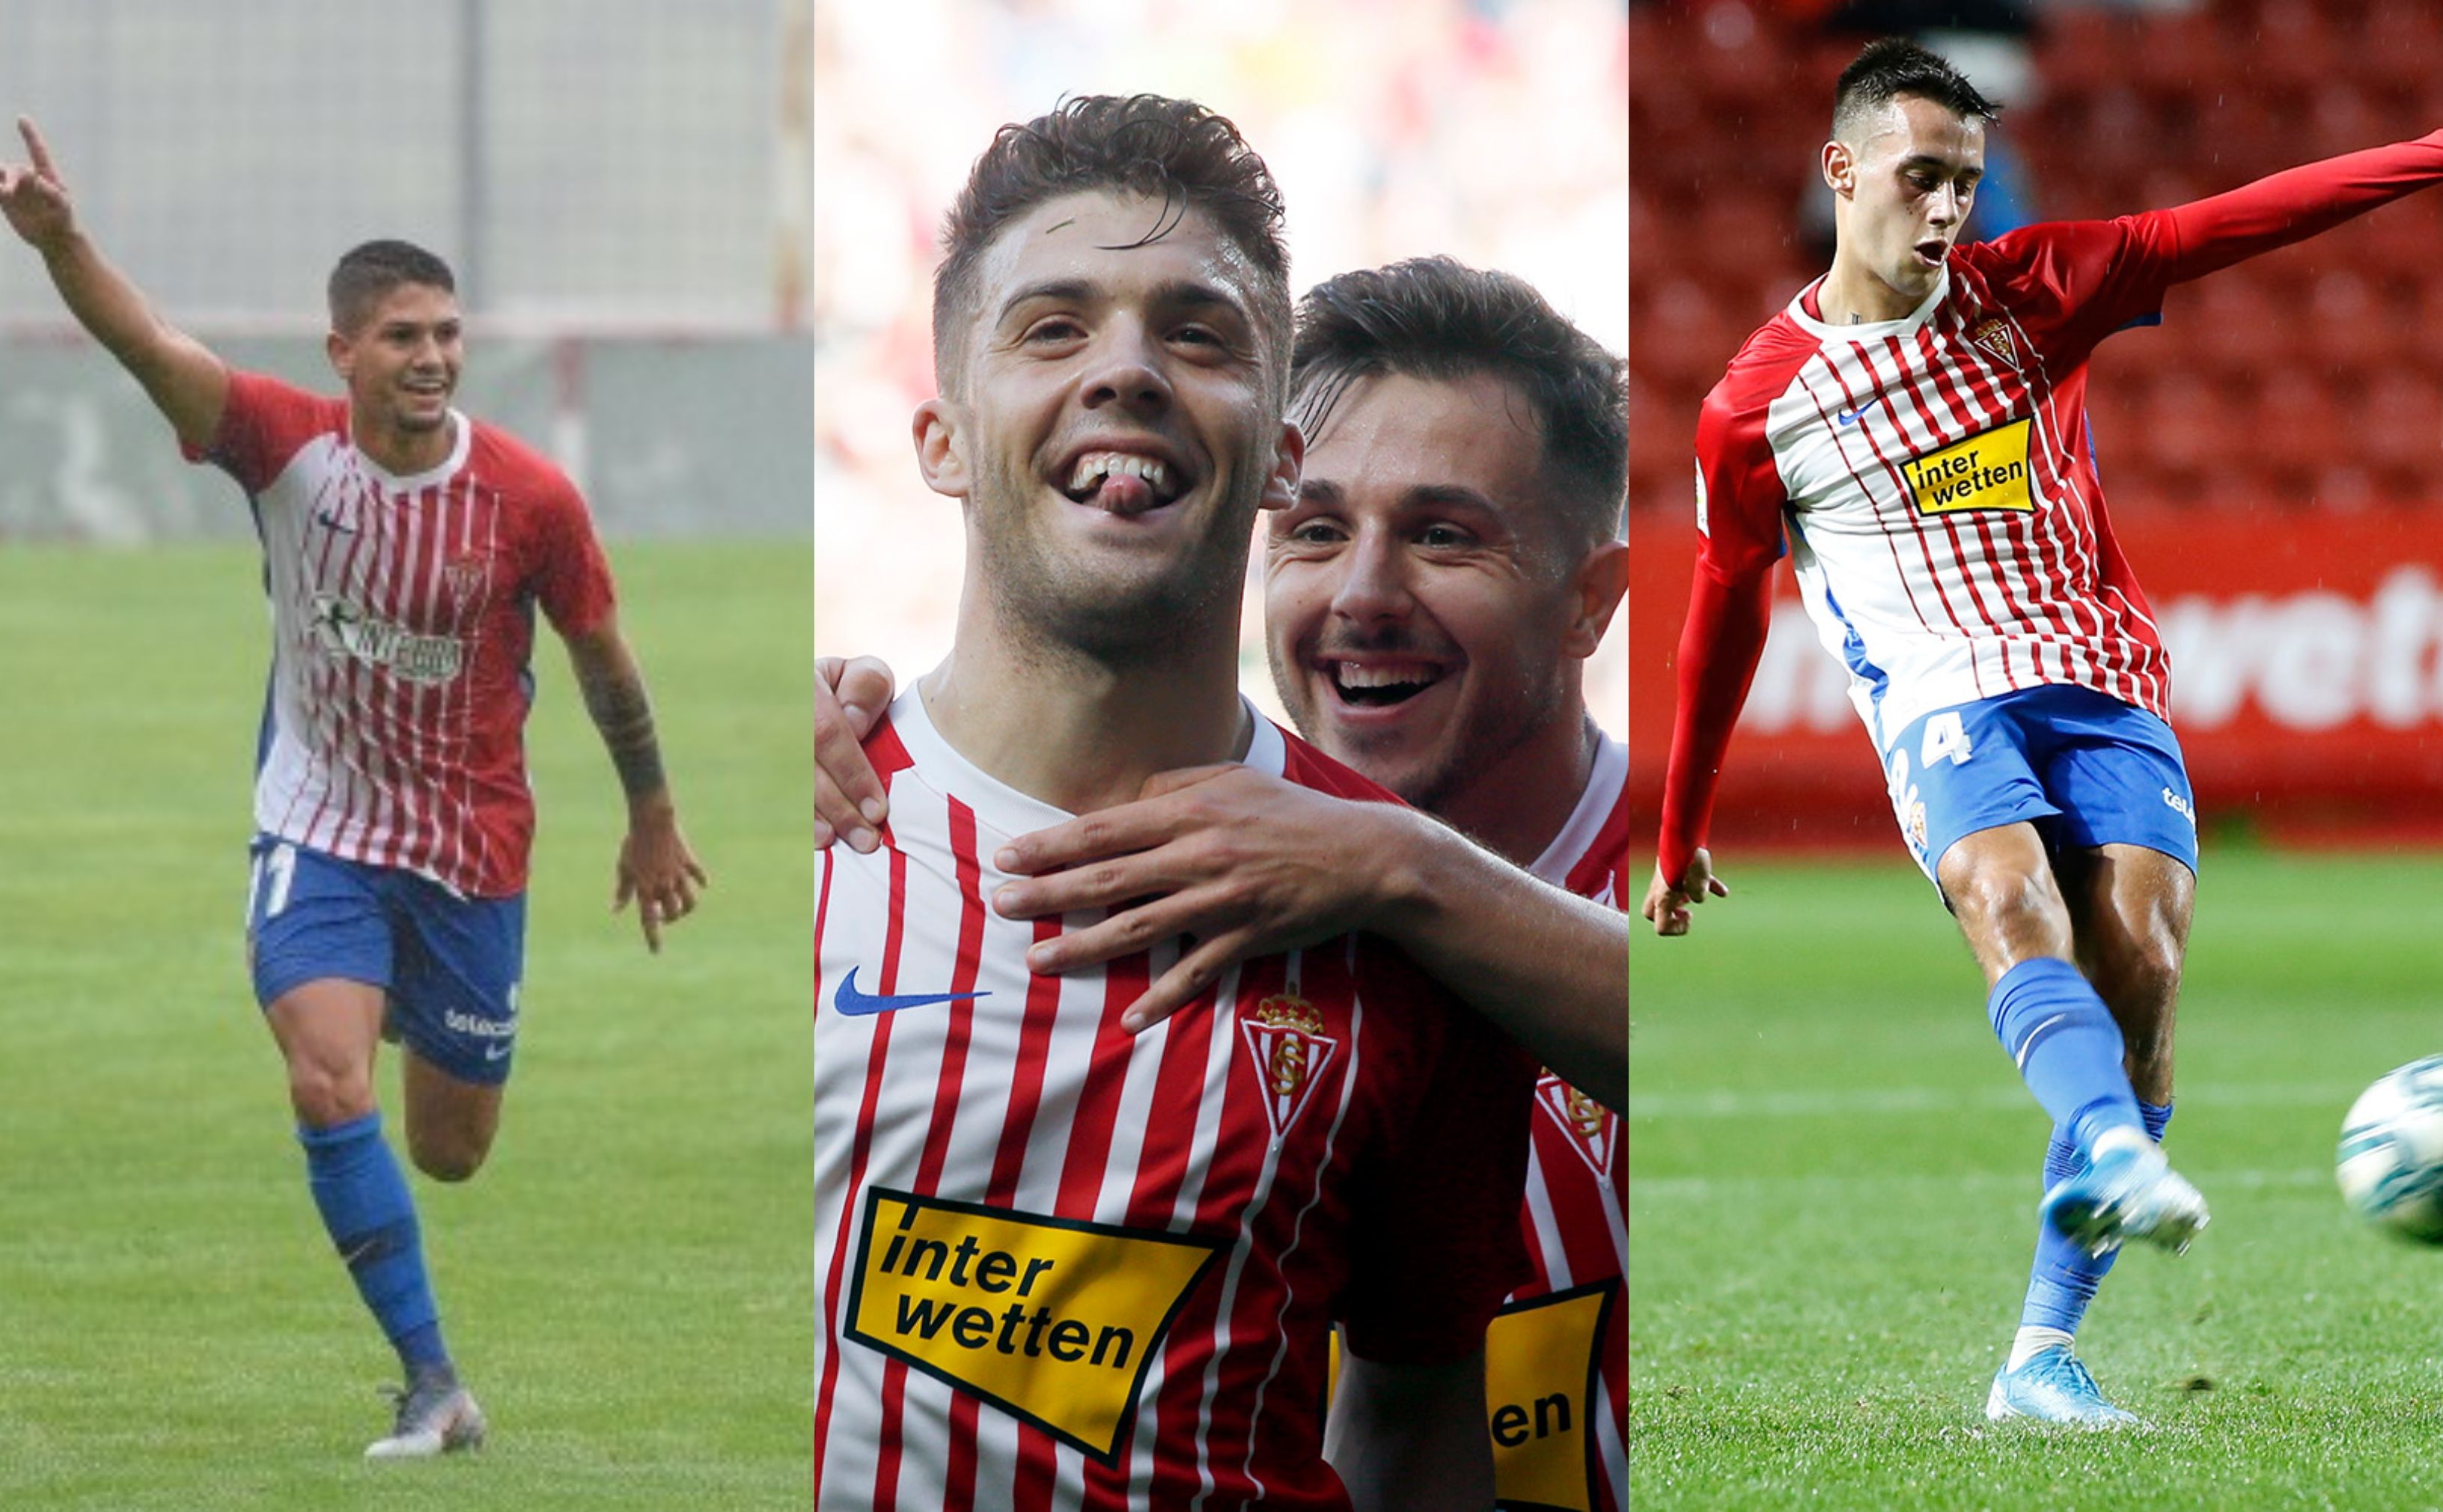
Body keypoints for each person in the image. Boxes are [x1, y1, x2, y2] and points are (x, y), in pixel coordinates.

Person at [1642, 38, 2443, 1426]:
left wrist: (2429, 155)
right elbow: (1725, 613)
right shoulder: (1754, 409)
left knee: (2143, 967)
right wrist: (1681, 823)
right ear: (1841, 172)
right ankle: (2118, 1152)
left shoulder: (2033, 294)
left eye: (1966, 181)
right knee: (2007, 895)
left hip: (2100, 674)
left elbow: (2234, 220)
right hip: (1941, 691)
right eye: (1922, 178)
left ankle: (2040, 1360)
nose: (1951, 210)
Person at [812, 96, 1538, 1512]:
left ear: (1277, 460)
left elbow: (1414, 1417)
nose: (1127, 372)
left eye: (1196, 334)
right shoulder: (804, 820)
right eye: (1053, 328)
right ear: (944, 437)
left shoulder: (1411, 915)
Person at [1, 117, 706, 1457]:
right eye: (403, 336)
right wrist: (62, 240)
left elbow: (601, 653)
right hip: (316, 825)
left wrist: (653, 811)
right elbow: (149, 346)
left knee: (451, 1151)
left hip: (470, 850)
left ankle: (388, 994)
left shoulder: (529, 501)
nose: (433, 356)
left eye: (446, 333)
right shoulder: (280, 446)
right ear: (345, 353)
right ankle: (434, 1383)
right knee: (329, 1085)